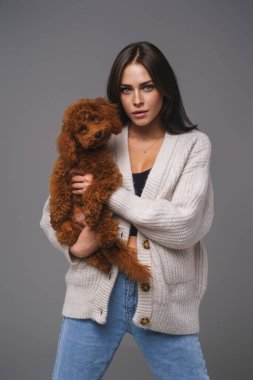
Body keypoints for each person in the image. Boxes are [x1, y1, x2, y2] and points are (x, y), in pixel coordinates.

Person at [40, 41, 214, 379]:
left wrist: (108, 194)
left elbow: (184, 225)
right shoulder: (101, 139)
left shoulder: (193, 145)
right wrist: (76, 248)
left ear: (164, 88)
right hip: (94, 290)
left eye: (147, 87)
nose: (137, 100)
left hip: (164, 297)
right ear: (116, 95)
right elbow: (52, 211)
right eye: (126, 89)